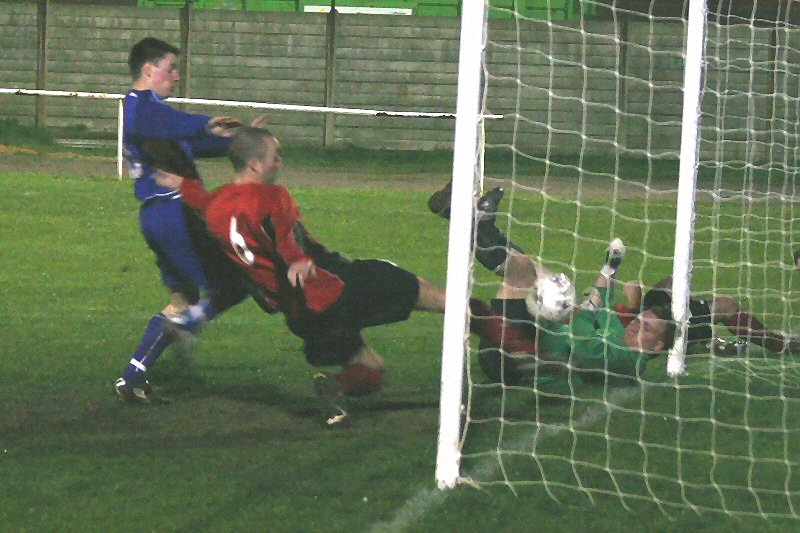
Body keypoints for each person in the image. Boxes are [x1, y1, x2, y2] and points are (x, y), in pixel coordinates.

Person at [154, 126, 533, 425]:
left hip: (303, 318)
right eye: (275, 155)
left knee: (372, 371)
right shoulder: (273, 197)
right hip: (336, 287)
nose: (280, 161)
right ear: (254, 164)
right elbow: (286, 236)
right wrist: (298, 260)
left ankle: (334, 387)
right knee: (447, 300)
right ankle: (528, 351)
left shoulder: (216, 205)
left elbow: (201, 202)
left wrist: (182, 184)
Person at [114, 37, 258, 404]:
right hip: (175, 212)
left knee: (182, 298)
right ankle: (188, 327)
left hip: (158, 216)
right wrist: (206, 123)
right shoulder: (141, 107)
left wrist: (241, 140)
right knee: (237, 282)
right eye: (170, 68)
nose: (176, 76)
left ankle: (133, 376)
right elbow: (180, 125)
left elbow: (189, 141)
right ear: (149, 70)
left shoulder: (156, 119)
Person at [450, 188, 675, 389]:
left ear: (656, 347)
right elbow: (603, 306)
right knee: (532, 269)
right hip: (527, 334)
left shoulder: (628, 360)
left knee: (528, 272)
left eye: (646, 328)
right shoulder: (620, 336)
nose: (635, 326)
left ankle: (470, 223)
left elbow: (586, 347)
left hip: (516, 356)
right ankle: (475, 225)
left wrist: (576, 309)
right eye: (638, 321)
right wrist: (610, 268)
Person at [615, 276, 799, 357]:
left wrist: (635, 301)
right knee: (726, 307)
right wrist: (635, 301)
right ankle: (781, 345)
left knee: (671, 282)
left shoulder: (609, 322)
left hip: (654, 318)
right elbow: (631, 325)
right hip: (661, 329)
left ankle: (701, 342)